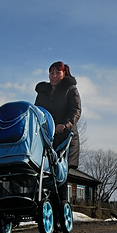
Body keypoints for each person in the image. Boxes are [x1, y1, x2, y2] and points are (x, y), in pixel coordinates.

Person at [34, 61, 81, 201]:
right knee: (44, 169)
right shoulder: (43, 91)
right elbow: (37, 111)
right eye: (51, 73)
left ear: (64, 73)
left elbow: (76, 110)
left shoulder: (70, 89)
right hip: (47, 136)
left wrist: (65, 124)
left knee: (60, 172)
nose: (54, 76)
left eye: (57, 73)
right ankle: (45, 203)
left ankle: (61, 207)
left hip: (64, 135)